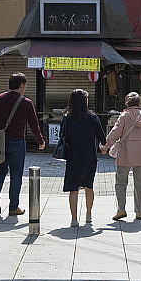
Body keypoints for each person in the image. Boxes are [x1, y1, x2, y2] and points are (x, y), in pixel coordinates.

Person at [0, 72, 45, 216]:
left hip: (0, 141)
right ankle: (13, 207)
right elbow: (33, 124)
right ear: (21, 85)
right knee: (16, 174)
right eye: (25, 84)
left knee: (0, 170)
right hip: (17, 142)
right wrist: (40, 140)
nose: (25, 87)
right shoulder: (26, 102)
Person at [102, 92, 141, 222]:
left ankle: (121, 209)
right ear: (139, 103)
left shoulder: (124, 116)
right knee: (139, 183)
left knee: (121, 182)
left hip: (125, 154)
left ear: (127, 103)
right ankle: (139, 212)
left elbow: (115, 132)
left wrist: (106, 145)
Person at [62, 89, 106, 227]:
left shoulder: (66, 117)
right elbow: (102, 138)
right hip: (89, 156)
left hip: (72, 155)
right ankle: (88, 215)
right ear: (85, 101)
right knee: (88, 185)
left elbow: (62, 136)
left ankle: (74, 219)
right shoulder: (92, 117)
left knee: (73, 187)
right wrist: (104, 147)